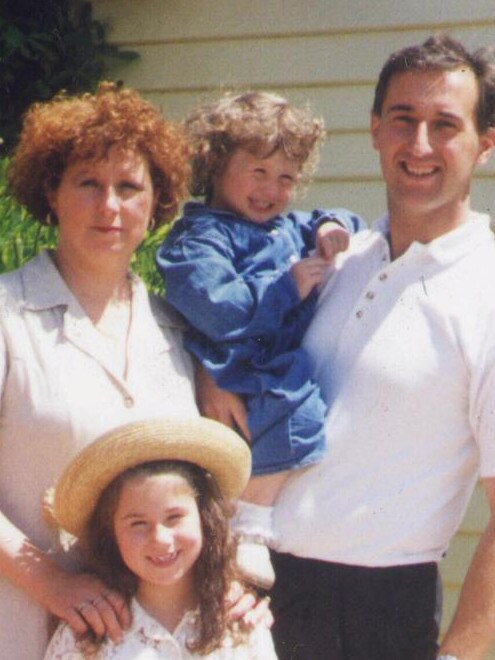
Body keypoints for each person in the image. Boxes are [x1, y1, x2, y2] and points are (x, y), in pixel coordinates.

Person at [199, 34, 495, 660]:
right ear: (374, 130)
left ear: (485, 143)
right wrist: (214, 376)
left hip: (374, 617)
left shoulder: (485, 290)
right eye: (403, 120)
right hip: (245, 586)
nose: (419, 145)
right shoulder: (335, 257)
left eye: (444, 125)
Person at [0, 82, 199, 659]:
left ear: (155, 203)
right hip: (18, 621)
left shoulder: (174, 327)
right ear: (52, 193)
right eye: (88, 183)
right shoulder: (8, 316)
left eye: (129, 186)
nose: (109, 205)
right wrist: (49, 582)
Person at [156, 91, 364, 589]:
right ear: (215, 163)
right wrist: (285, 287)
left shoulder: (282, 228)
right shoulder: (200, 237)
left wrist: (332, 226)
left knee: (297, 411)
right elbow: (217, 307)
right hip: (235, 362)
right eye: (259, 172)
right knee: (291, 411)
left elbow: (344, 222)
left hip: (268, 364)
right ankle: (247, 526)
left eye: (287, 177)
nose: (272, 190)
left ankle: (243, 520)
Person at [43, 416, 277, 659]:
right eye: (138, 524)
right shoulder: (87, 635)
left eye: (174, 517)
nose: (160, 539)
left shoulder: (240, 621)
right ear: (111, 533)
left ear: (205, 518)